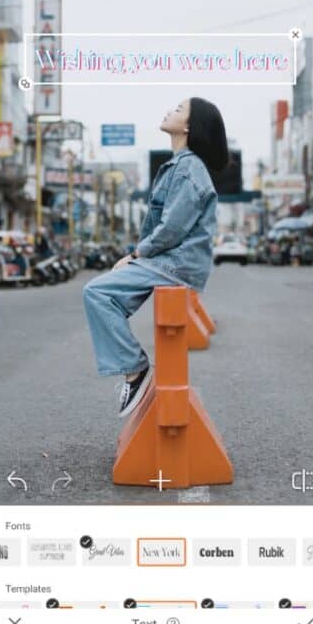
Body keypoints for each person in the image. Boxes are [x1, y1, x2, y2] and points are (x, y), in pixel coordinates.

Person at [83, 97, 228, 418]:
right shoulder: (180, 164)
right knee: (109, 298)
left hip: (174, 264)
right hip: (170, 263)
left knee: (96, 291)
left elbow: (172, 228)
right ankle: (132, 368)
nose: (169, 110)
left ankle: (135, 370)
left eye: (178, 109)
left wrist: (134, 255)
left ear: (189, 126)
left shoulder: (189, 167)